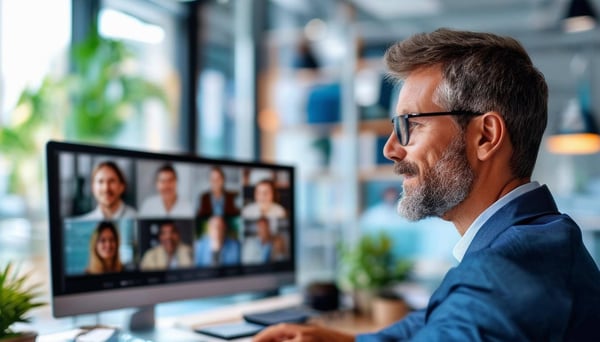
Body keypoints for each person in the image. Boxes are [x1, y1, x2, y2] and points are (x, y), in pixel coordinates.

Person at [253, 28, 600, 342]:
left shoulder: (503, 272)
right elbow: (434, 317)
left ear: (485, 136)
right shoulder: (537, 238)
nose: (390, 148)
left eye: (409, 125)